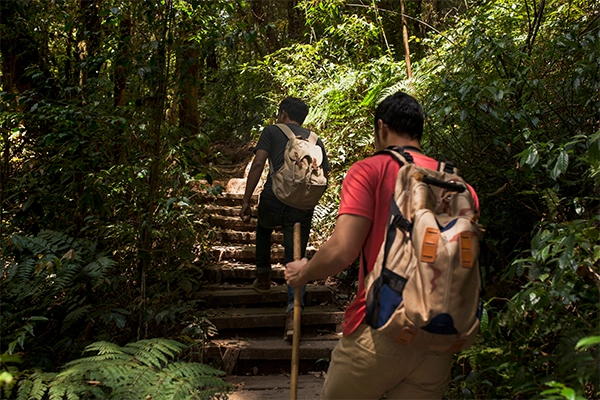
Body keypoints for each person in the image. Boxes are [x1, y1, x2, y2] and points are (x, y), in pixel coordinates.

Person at [285, 91, 480, 399]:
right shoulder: (458, 186)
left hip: (381, 328)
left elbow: (342, 250)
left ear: (381, 128)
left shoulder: (370, 170)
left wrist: (304, 272)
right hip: (439, 338)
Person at [239, 97, 330, 342]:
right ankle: (293, 313)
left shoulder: (272, 131)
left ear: (282, 114)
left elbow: (259, 163)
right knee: (295, 257)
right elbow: (324, 176)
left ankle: (264, 276)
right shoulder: (314, 140)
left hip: (273, 198)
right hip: (301, 205)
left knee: (263, 228)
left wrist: (247, 200)